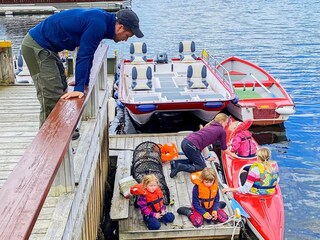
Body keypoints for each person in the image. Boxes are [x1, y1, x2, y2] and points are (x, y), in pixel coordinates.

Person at [21, 8, 143, 128]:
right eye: (127, 35)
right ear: (120, 27)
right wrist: (79, 88)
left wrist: (83, 82)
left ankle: (59, 127)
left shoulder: (102, 22)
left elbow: (89, 54)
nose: (126, 40)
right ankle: (49, 139)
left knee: (62, 87)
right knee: (51, 94)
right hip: (36, 47)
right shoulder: (98, 25)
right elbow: (83, 55)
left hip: (49, 48)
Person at [170, 113, 237, 178]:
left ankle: (175, 162)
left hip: (185, 142)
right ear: (222, 121)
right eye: (226, 123)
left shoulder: (210, 126)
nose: (226, 124)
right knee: (201, 167)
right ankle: (180, 167)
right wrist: (233, 155)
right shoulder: (222, 131)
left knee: (194, 161)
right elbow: (224, 148)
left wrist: (207, 158)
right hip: (191, 146)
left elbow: (204, 144)